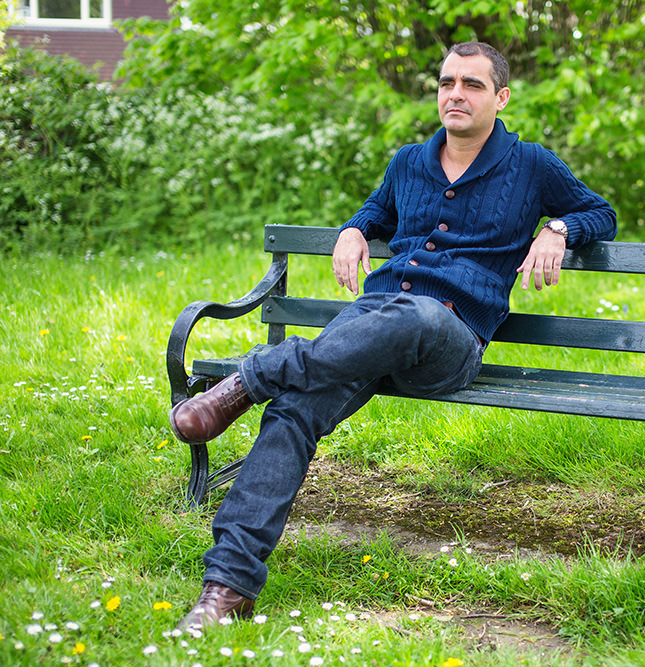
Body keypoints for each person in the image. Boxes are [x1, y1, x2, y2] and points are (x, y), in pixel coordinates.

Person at [169, 41, 616, 631]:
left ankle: (249, 377)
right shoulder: (409, 160)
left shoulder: (531, 164)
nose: (455, 94)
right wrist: (355, 229)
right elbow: (375, 210)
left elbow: (600, 212)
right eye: (446, 82)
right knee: (295, 410)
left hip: (448, 337)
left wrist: (558, 227)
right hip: (370, 327)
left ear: (500, 97)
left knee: (417, 316)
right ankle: (226, 588)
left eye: (472, 85)